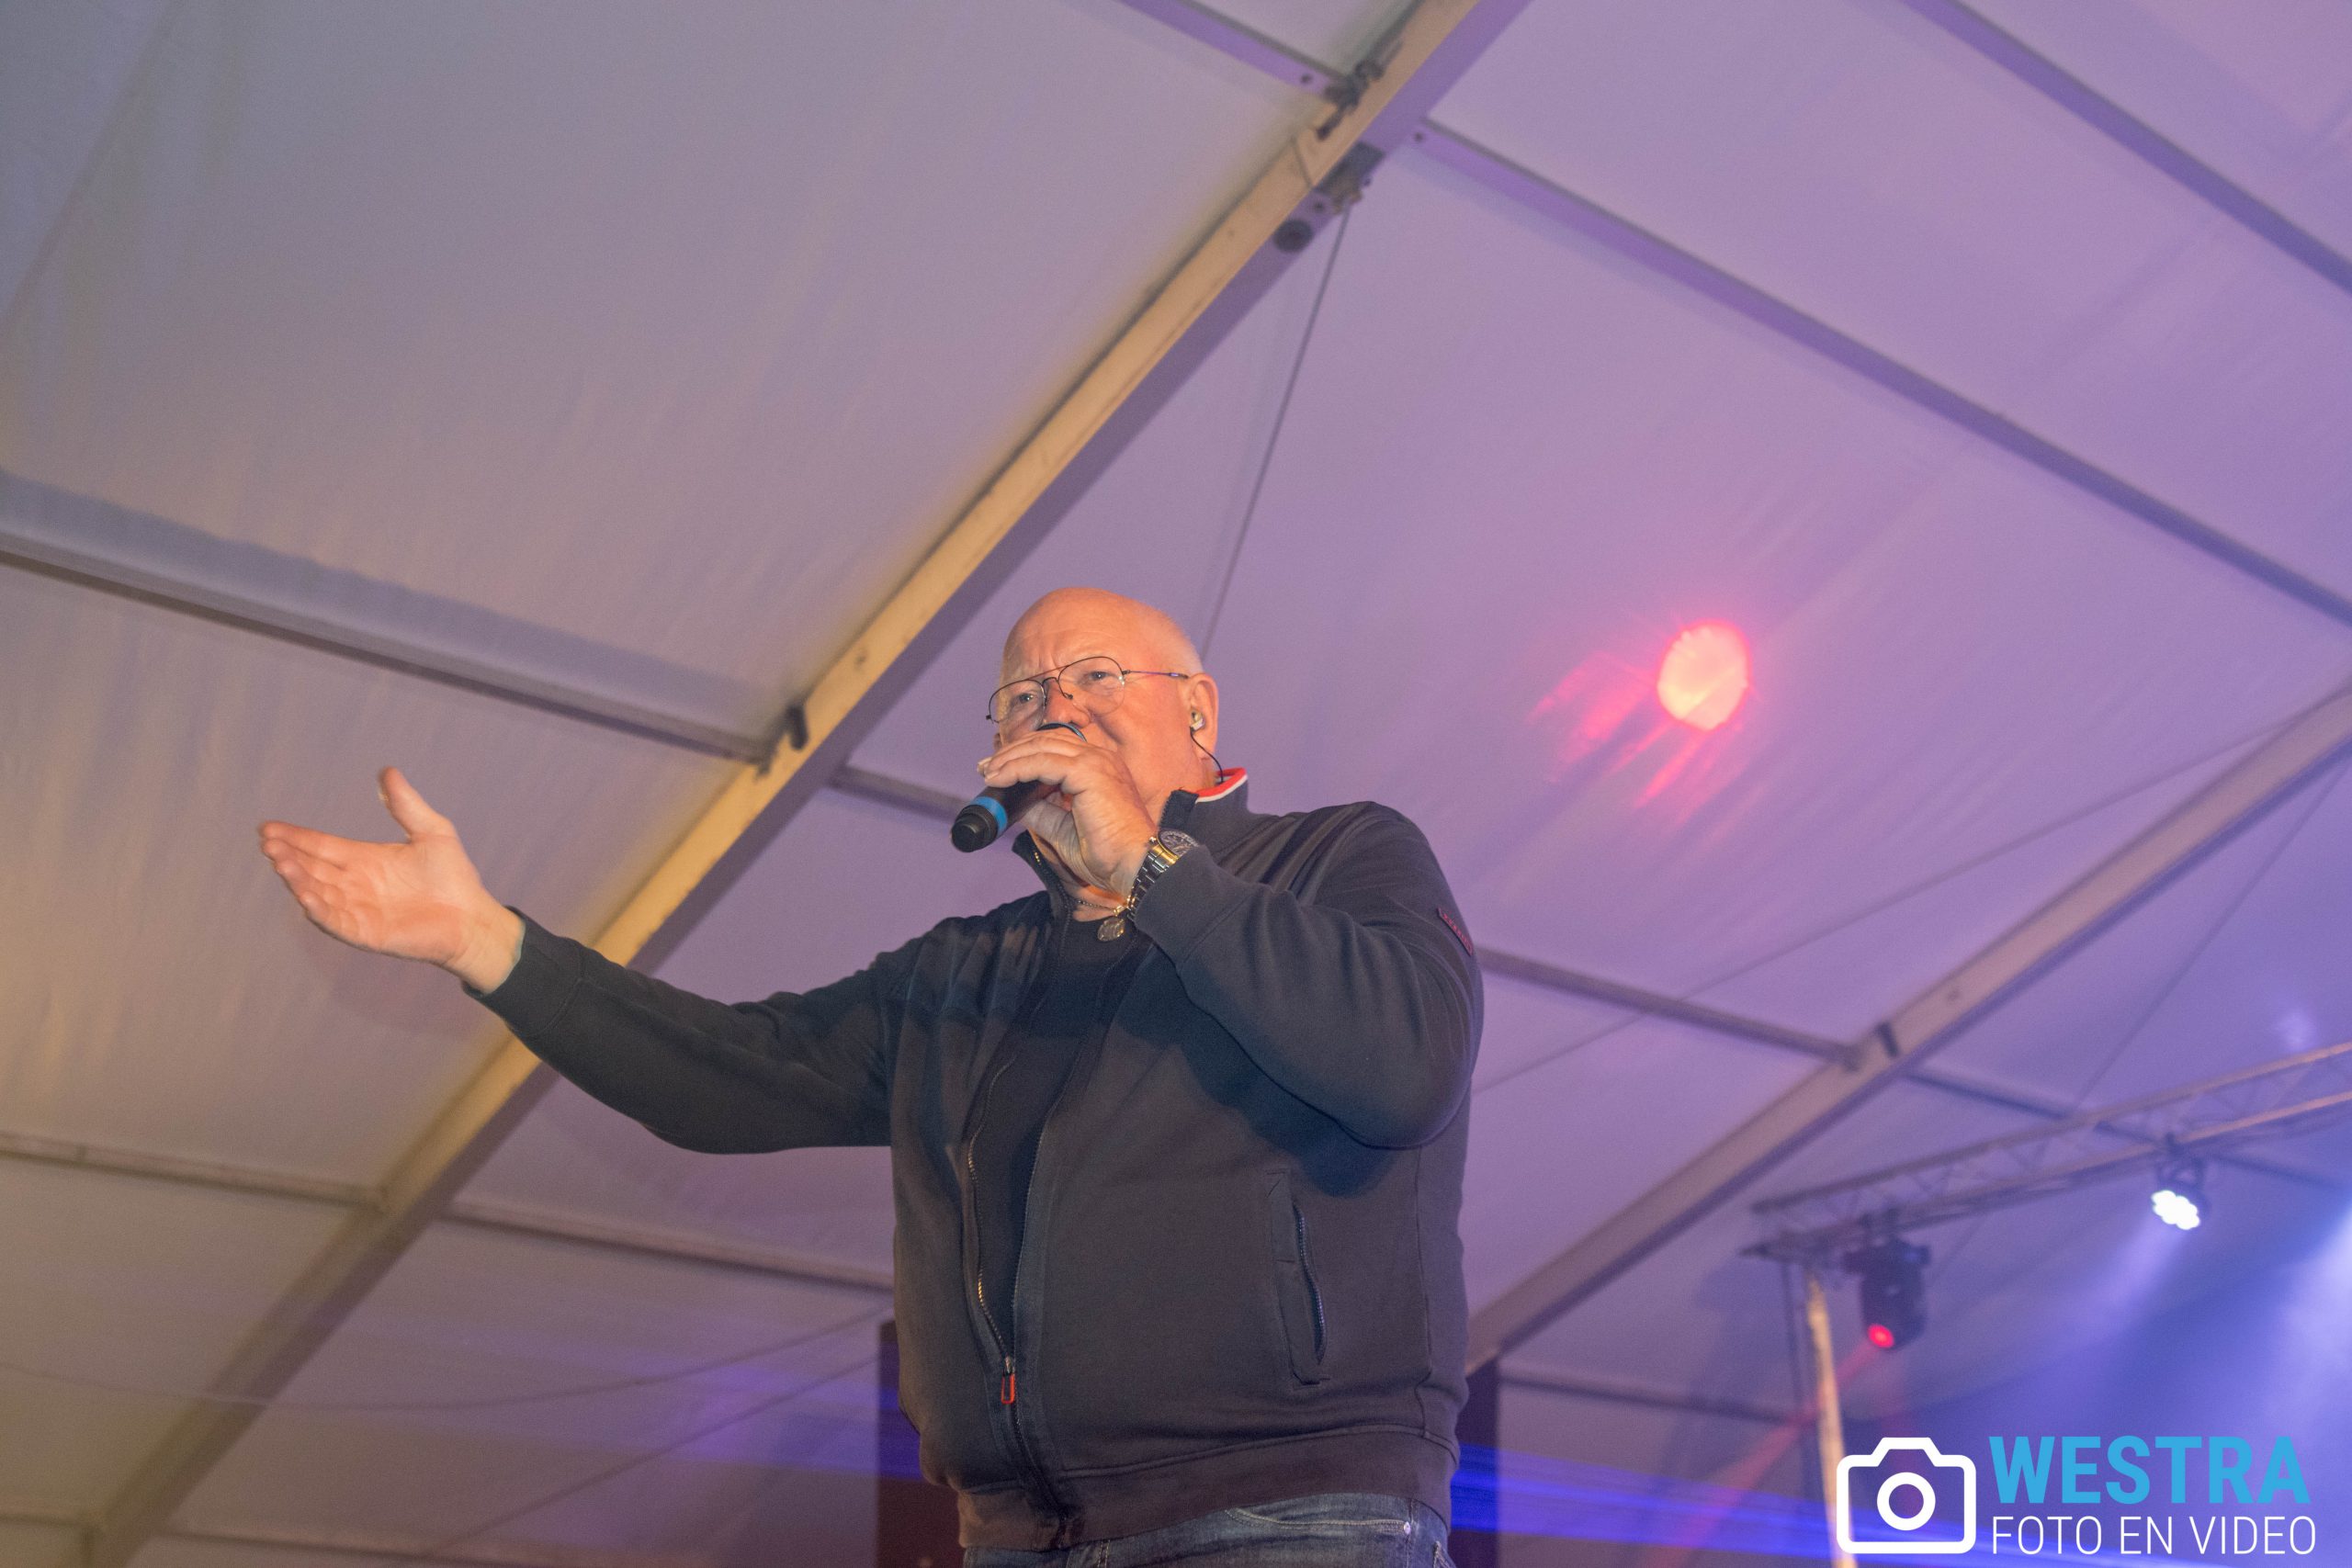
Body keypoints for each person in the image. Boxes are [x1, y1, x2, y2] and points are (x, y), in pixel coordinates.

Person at [260, 586, 1483, 1566]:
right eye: (1025, 695)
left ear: (1199, 711)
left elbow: (1405, 1065)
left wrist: (1151, 867)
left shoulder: (1338, 859)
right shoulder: (966, 974)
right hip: (1020, 1536)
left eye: (1097, 677)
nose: (1058, 707)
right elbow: (728, 1076)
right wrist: (488, 943)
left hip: (1287, 1511)